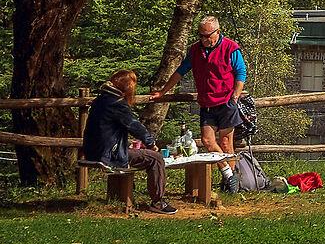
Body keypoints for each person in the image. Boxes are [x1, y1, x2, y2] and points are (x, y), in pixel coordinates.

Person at [163, 14, 247, 180]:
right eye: (201, 35)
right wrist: (163, 91)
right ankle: (230, 175)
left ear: (218, 32)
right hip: (206, 103)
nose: (204, 39)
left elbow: (241, 72)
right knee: (207, 141)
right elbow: (181, 70)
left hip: (226, 102)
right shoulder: (195, 49)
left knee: (225, 143)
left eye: (207, 35)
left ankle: (230, 183)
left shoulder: (231, 48)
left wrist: (235, 96)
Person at [82, 69, 176, 213]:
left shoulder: (100, 100)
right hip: (108, 156)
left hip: (93, 152)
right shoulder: (117, 103)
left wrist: (126, 144)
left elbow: (105, 131)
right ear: (128, 87)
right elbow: (134, 126)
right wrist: (151, 144)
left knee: (139, 152)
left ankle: (126, 197)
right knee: (156, 158)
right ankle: (158, 203)